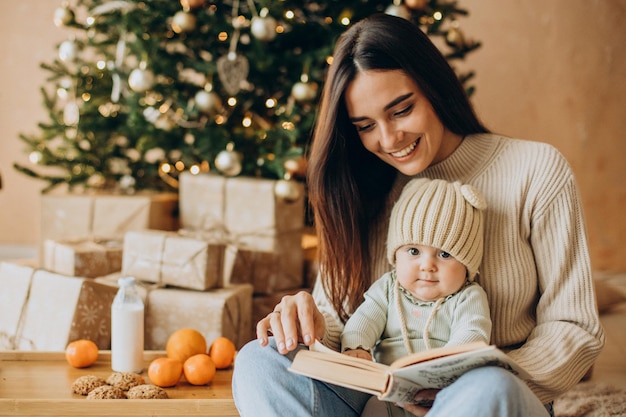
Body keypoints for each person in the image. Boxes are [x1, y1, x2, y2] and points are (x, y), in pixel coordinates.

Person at [232, 12, 604, 417]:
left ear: (434, 87)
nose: (389, 139)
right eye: (365, 125)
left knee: (488, 387)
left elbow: (574, 327)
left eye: (401, 110)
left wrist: (472, 379)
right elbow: (339, 317)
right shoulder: (364, 187)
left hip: (490, 398)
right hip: (384, 397)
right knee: (259, 361)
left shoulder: (534, 169)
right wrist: (310, 325)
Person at [341, 177, 492, 367]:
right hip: (383, 378)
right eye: (414, 251)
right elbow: (365, 318)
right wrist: (356, 346)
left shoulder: (468, 297)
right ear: (395, 258)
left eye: (445, 254)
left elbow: (473, 332)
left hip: (442, 381)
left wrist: (446, 365)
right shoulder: (387, 288)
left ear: (467, 264)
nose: (427, 266)